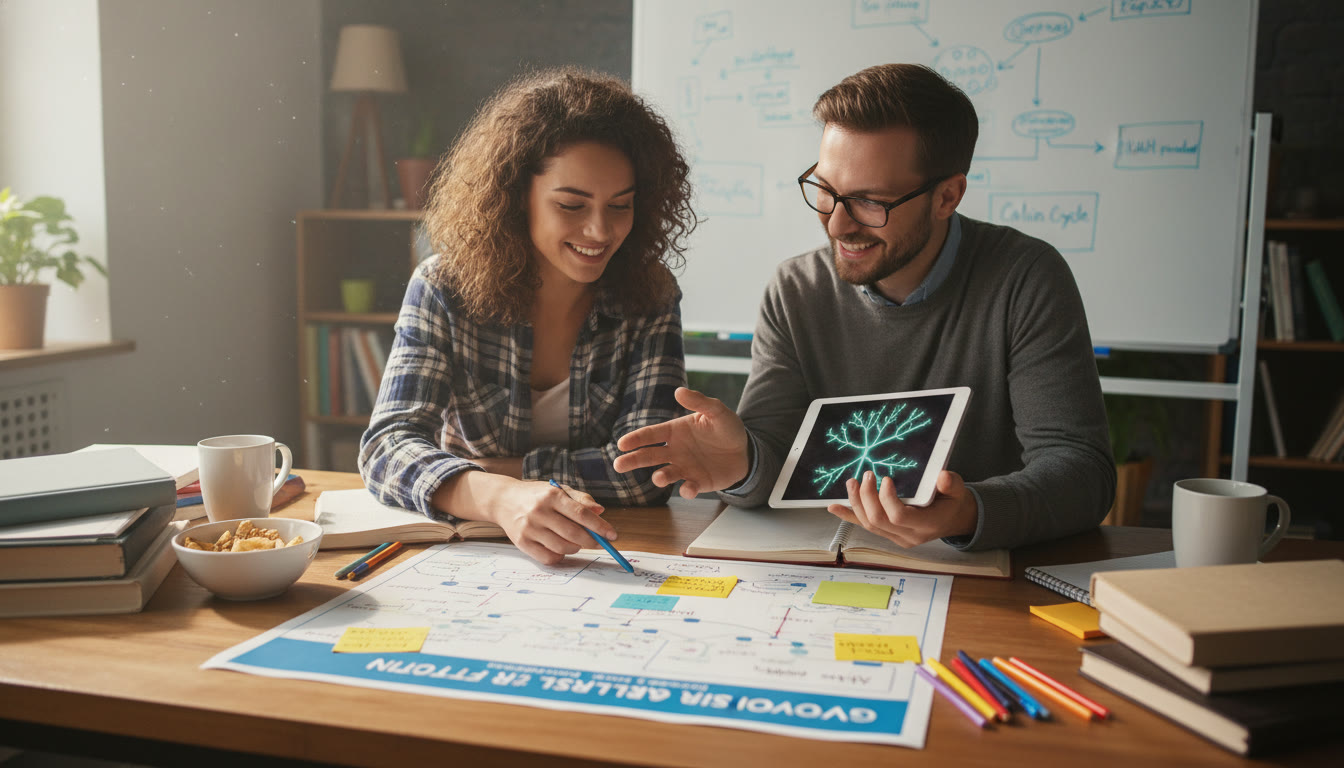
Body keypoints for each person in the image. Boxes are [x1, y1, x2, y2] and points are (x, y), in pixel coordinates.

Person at [614, 63, 1115, 552]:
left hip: (975, 577)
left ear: (947, 196)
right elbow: (772, 460)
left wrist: (969, 513)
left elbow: (1081, 472)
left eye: (871, 202)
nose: (836, 225)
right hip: (823, 567)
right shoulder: (796, 289)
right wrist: (743, 464)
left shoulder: (1025, 279)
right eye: (825, 191)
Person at [359, 68, 696, 565]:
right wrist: (500, 497)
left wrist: (488, 472)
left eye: (620, 206)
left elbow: (649, 471)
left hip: (612, 546)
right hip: (473, 551)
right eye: (572, 205)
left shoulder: (649, 294)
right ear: (517, 197)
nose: (600, 230)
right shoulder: (444, 287)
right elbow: (386, 447)